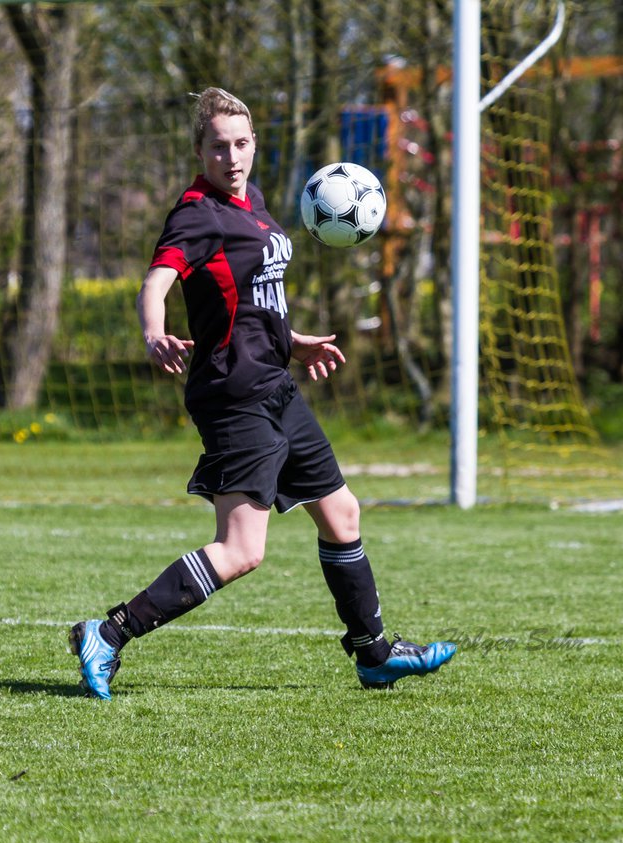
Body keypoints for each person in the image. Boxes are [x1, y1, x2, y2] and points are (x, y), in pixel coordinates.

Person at [68, 89, 455, 699]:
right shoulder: (197, 214)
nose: (232, 156)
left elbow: (252, 297)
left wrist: (292, 340)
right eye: (218, 147)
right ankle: (108, 632)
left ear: (254, 145)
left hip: (277, 384)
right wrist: (152, 331)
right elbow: (157, 281)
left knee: (342, 513)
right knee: (242, 549)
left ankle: (374, 654)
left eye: (242, 143)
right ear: (200, 151)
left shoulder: (255, 203)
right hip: (233, 395)